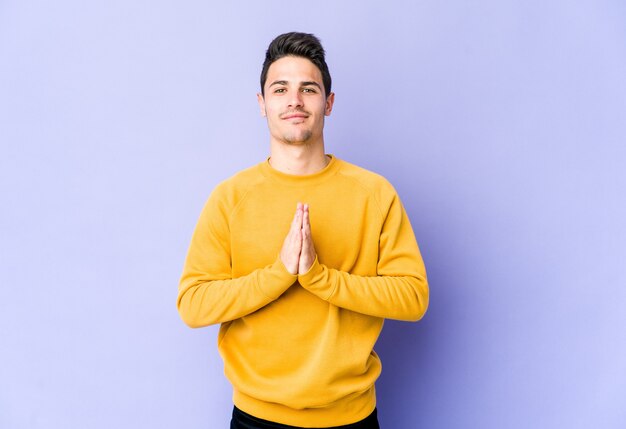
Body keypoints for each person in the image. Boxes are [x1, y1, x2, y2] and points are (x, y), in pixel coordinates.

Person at [177, 32, 429, 429]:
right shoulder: (230, 197)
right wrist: (280, 274)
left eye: (308, 89)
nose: (294, 100)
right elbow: (193, 304)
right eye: (280, 89)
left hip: (352, 417)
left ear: (328, 103)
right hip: (256, 418)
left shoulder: (374, 194)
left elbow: (413, 298)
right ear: (262, 104)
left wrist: (319, 278)